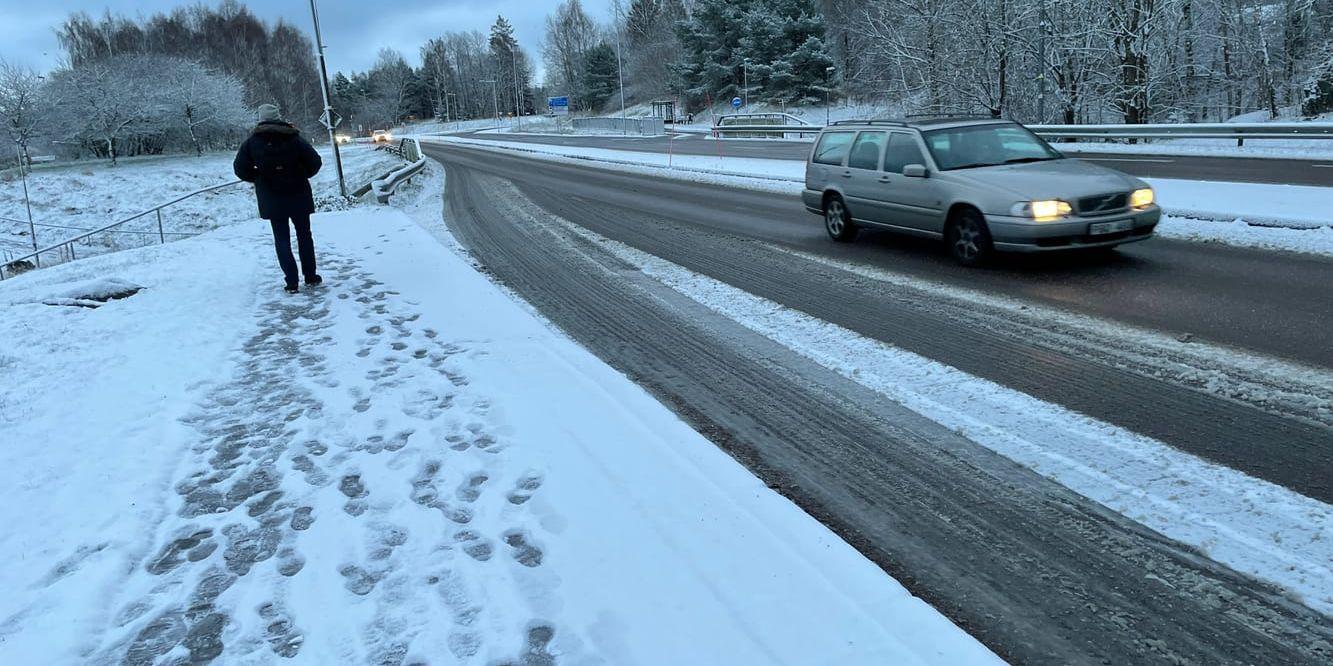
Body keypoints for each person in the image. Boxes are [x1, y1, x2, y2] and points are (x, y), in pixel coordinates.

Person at [233, 104, 323, 293]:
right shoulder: (294, 138)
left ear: (260, 118)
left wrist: (258, 178)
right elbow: (315, 162)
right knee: (304, 235)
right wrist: (301, 174)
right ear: (278, 117)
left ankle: (291, 282)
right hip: (298, 193)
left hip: (271, 197)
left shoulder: (252, 142)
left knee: (281, 239)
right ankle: (311, 276)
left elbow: (240, 168)